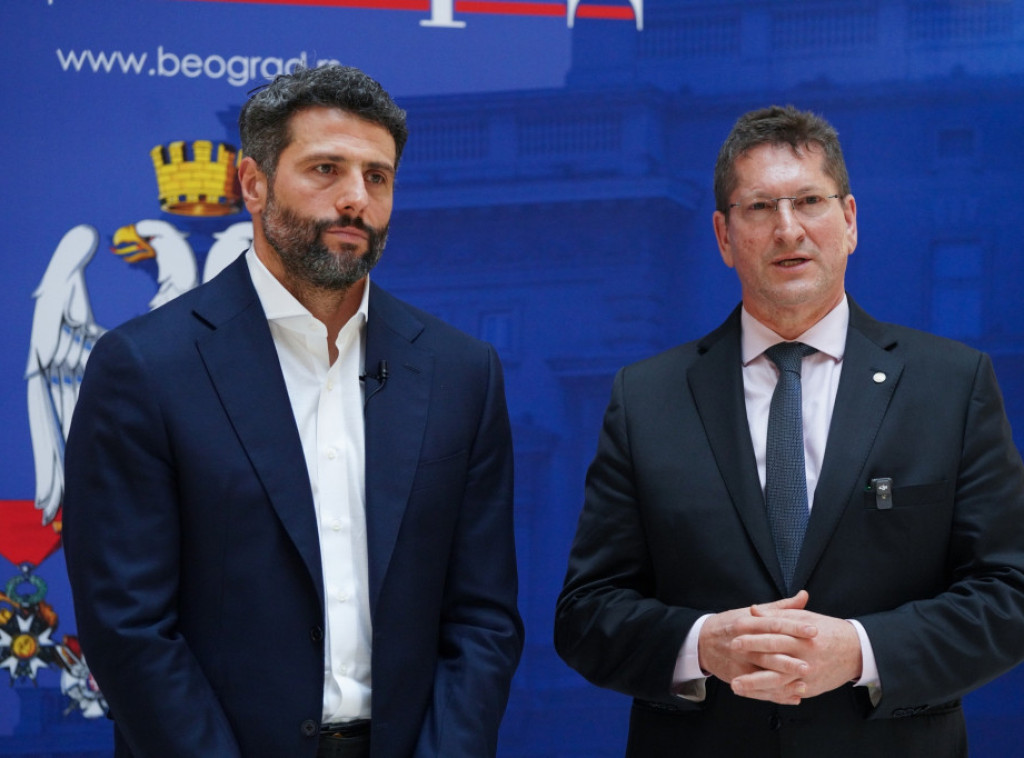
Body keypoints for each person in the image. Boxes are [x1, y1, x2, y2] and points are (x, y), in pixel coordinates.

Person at [62, 64, 523, 758]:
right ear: (252, 183)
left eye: (377, 177)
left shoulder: (462, 372)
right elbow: (128, 627)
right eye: (325, 169)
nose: (355, 198)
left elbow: (483, 621)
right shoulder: (145, 368)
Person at [554, 104, 1024, 757]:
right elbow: (586, 614)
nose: (787, 229)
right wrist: (702, 646)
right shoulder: (647, 398)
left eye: (809, 201)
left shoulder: (951, 385)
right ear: (723, 236)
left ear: (849, 221)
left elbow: (1008, 596)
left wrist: (860, 651)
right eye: (759, 208)